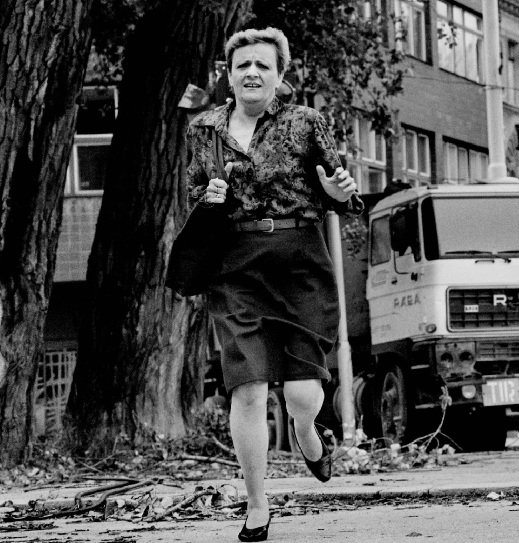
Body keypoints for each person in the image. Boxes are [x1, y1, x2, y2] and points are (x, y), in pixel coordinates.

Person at [185, 27, 362, 542]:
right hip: (236, 266)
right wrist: (210, 194)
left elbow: (340, 189)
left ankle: (309, 434)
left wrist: (335, 188)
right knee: (248, 386)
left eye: (263, 65)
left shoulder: (306, 122)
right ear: (229, 75)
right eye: (243, 65)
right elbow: (194, 190)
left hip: (299, 261)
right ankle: (257, 504)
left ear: (279, 74)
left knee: (303, 393)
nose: (252, 73)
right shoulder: (206, 128)